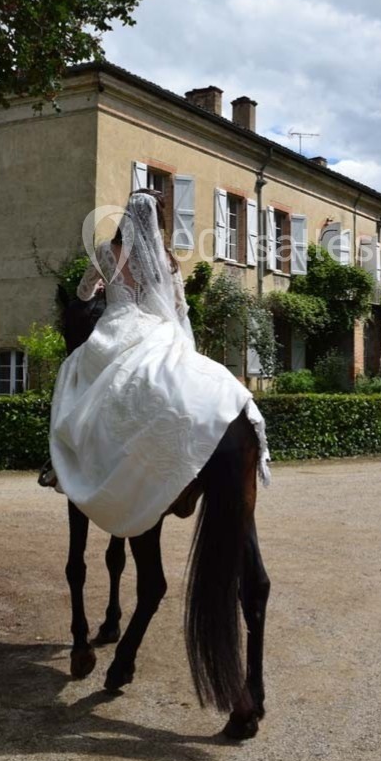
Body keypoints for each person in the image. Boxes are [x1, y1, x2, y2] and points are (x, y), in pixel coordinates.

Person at [48, 189, 270, 537]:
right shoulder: (167, 261)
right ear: (158, 222)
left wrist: (105, 292)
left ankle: (62, 466)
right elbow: (180, 309)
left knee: (77, 379)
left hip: (115, 327)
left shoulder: (107, 251)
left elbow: (81, 293)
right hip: (158, 330)